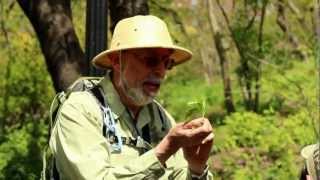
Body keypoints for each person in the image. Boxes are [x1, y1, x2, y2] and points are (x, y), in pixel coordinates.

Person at [49, 15, 214, 179]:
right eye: (150, 60)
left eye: (167, 63)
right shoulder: (81, 110)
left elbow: (178, 174)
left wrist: (196, 169)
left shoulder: (161, 119)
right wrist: (165, 149)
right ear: (116, 60)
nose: (161, 71)